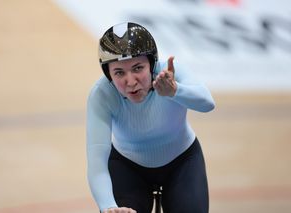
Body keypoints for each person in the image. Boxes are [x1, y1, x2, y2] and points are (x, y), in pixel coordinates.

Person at [86, 22, 215, 213]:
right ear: (109, 75)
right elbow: (96, 162)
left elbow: (207, 103)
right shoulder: (102, 94)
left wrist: (175, 91)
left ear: (152, 64)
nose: (130, 81)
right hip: (127, 168)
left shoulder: (170, 75)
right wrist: (109, 207)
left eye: (138, 68)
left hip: (182, 161)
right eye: (119, 72)